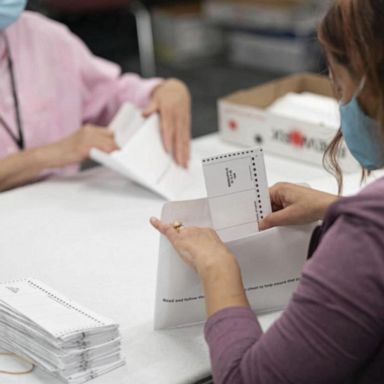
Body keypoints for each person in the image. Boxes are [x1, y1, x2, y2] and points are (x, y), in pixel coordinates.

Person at [151, 0, 384, 383]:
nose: (340, 101)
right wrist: (335, 206)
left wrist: (217, 268)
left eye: (339, 85)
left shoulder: (366, 240)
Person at [0, 0, 191, 191]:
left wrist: (161, 91)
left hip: (60, 205)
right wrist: (45, 156)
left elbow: (109, 95)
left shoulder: (44, 36)